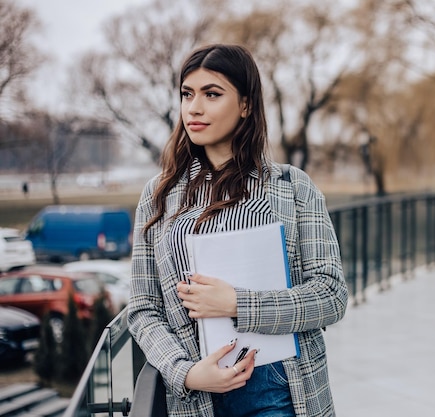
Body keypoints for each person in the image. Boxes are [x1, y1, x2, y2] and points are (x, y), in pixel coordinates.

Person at [127, 44, 348, 417]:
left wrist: (237, 304)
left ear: (245, 105)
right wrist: (187, 373)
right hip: (196, 395)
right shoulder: (159, 193)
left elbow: (331, 294)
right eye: (187, 94)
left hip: (279, 388)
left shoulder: (292, 187)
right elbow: (142, 308)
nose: (194, 108)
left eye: (212, 94)